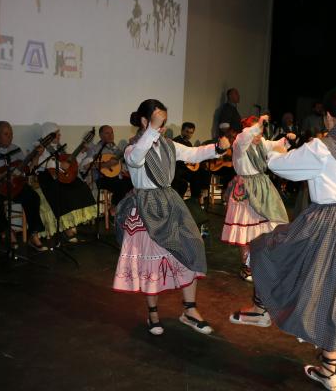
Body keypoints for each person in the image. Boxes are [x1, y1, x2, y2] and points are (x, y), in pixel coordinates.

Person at [232, 87, 336, 391]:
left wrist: (273, 150)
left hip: (327, 224)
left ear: (329, 117)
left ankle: (263, 308)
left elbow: (279, 166)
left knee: (265, 249)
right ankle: (329, 369)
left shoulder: (322, 148)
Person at [112, 99, 230, 336]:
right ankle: (153, 313)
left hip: (170, 203)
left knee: (192, 246)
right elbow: (136, 159)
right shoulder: (133, 148)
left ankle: (190, 310)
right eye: (158, 121)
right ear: (145, 121)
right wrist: (152, 131)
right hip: (147, 207)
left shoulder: (168, 145)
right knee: (152, 260)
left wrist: (217, 147)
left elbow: (194, 153)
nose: (162, 126)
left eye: (164, 122)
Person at [220, 114, 294, 282]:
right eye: (256, 130)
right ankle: (247, 266)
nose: (259, 134)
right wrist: (257, 124)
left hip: (262, 187)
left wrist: (288, 140)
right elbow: (244, 138)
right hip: (246, 190)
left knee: (266, 226)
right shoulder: (239, 146)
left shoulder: (262, 144)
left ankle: (263, 262)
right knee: (246, 229)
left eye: (260, 131)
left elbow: (276, 145)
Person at [0, 121, 48, 251]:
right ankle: (7, 232)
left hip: (14, 186)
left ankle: (33, 235)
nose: (10, 137)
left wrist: (36, 156)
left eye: (11, 134)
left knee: (33, 196)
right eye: (6, 134)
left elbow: (27, 169)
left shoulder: (16, 149)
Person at [34, 122, 97, 241]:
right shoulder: (41, 148)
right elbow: (39, 165)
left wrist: (82, 152)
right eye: (57, 134)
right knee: (62, 192)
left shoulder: (61, 148)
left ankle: (74, 223)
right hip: (48, 177)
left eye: (58, 133)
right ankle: (66, 228)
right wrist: (59, 164)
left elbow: (71, 164)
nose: (59, 135)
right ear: (48, 134)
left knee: (80, 186)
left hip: (63, 176)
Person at [81, 125, 133, 215]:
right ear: (101, 135)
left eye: (112, 132)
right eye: (107, 133)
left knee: (132, 182)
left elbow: (122, 163)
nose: (111, 135)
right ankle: (113, 210)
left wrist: (124, 166)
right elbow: (85, 166)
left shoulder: (115, 148)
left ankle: (122, 211)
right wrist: (106, 164)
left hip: (116, 177)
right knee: (121, 185)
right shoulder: (95, 148)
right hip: (102, 178)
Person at [171, 122, 210, 204]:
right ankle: (195, 198)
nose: (189, 134)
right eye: (187, 132)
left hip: (186, 168)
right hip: (177, 169)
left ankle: (196, 198)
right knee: (195, 175)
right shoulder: (176, 141)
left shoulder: (189, 143)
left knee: (203, 171)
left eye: (191, 133)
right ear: (182, 131)